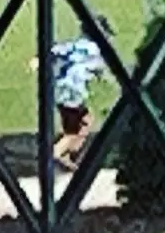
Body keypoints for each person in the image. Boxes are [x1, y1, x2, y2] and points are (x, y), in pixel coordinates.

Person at [31, 16, 115, 173]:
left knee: (84, 121)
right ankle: (55, 153)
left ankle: (68, 155)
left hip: (59, 89)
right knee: (76, 128)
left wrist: (38, 61)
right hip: (73, 91)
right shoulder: (96, 50)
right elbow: (101, 70)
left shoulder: (75, 45)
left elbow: (54, 51)